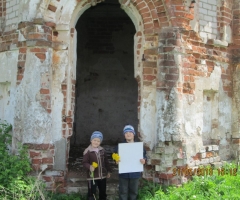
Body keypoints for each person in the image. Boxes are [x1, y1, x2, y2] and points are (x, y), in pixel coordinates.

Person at [113, 125, 147, 200]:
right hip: (123, 174)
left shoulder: (139, 146)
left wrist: (144, 160)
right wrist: (116, 161)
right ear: (124, 135)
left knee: (134, 192)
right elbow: (114, 156)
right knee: (123, 192)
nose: (128, 134)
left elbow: (144, 156)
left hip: (135, 173)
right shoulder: (120, 147)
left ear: (133, 134)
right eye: (126, 133)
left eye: (130, 132)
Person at [82, 131, 112, 200]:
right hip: (92, 177)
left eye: (98, 141)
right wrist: (89, 167)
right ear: (91, 140)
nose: (96, 142)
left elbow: (106, 162)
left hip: (102, 176)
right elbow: (84, 162)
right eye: (94, 140)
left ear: (100, 142)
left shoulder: (102, 150)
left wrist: (109, 171)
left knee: (103, 193)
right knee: (91, 194)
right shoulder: (87, 151)